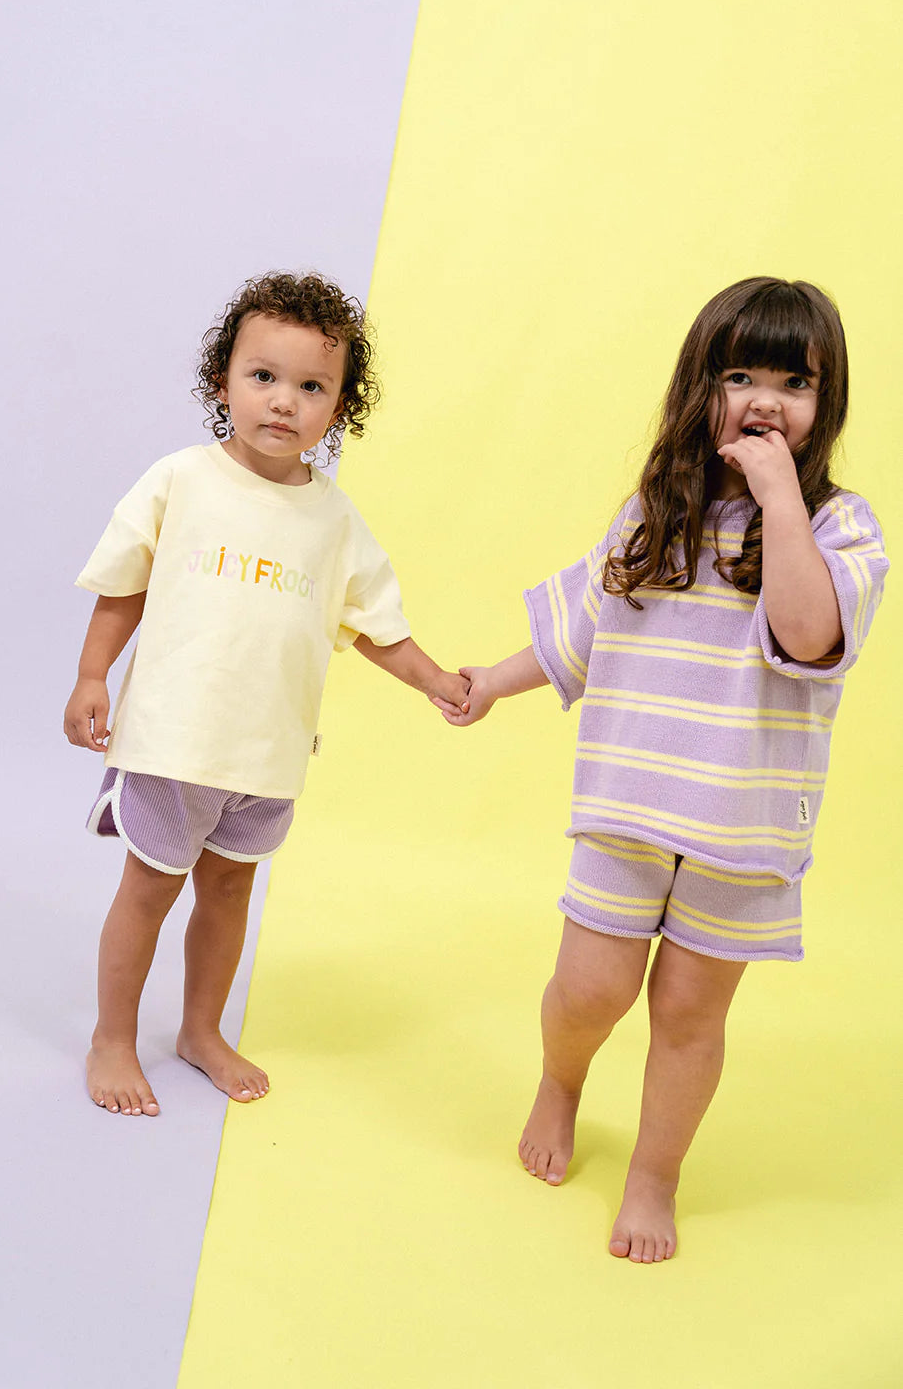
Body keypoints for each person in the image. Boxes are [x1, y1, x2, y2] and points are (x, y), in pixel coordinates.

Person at [442, 277, 888, 1262]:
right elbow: (584, 630)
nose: (764, 400)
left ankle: (653, 1173)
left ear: (826, 404)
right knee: (588, 989)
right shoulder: (657, 509)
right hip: (628, 800)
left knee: (688, 1012)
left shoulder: (840, 530)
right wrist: (490, 682)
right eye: (738, 375)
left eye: (791, 381)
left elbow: (807, 631)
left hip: (740, 823)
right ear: (701, 389)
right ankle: (561, 1080)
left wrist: (779, 503)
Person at [65, 272, 469, 1117]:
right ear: (224, 383)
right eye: (263, 377)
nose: (284, 402)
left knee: (228, 892)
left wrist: (436, 682)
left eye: (311, 386)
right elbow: (123, 586)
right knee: (150, 887)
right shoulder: (182, 479)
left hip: (267, 753)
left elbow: (378, 626)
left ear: (338, 407)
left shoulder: (334, 521)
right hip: (175, 741)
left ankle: (200, 1030)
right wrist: (92, 675)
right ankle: (112, 1036)